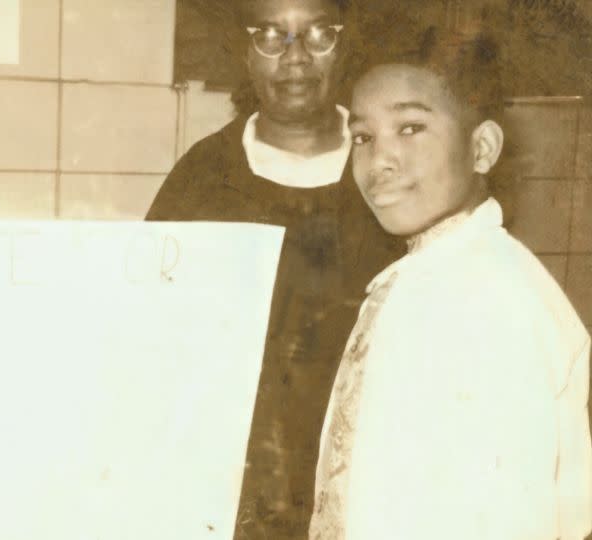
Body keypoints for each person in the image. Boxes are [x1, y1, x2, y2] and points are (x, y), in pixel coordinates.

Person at [309, 31, 592, 539]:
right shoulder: (427, 277)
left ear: (481, 148)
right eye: (363, 137)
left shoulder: (495, 302)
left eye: (411, 127)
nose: (380, 161)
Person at [146, 0, 401, 536]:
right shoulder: (201, 179)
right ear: (243, 51)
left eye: (318, 35)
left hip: (364, 475)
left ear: (345, 42)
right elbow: (151, 338)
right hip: (231, 485)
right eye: (270, 35)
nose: (296, 57)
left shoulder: (388, 177)